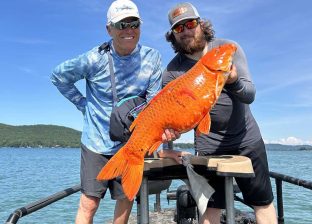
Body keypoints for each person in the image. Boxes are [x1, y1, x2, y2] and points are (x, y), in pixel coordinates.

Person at [159, 2, 278, 224]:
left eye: (190, 24)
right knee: (211, 208)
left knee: (262, 203)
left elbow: (250, 94)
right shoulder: (171, 72)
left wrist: (232, 81)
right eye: (178, 28)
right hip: (208, 144)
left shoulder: (227, 49)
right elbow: (167, 118)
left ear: (201, 24)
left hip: (246, 138)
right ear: (172, 35)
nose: (185, 31)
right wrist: (168, 148)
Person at [50, 0, 163, 223]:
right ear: (109, 29)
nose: (129, 30)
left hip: (132, 142)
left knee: (125, 199)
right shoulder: (94, 59)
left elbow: (154, 103)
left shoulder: (153, 58)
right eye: (121, 25)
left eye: (134, 23)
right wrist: (83, 105)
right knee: (89, 203)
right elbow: (58, 76)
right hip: (96, 142)